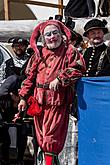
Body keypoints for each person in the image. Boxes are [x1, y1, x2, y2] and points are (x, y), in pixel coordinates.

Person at [17, 19, 86, 165]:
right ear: (43, 38)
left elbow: (78, 69)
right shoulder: (38, 54)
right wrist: (23, 97)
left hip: (57, 100)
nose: (52, 37)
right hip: (39, 101)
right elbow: (30, 77)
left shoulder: (69, 51)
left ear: (61, 34)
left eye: (55, 33)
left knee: (51, 137)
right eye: (48, 34)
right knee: (41, 138)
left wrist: (60, 79)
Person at [0, 37, 31, 165]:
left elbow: (33, 80)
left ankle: (20, 159)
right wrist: (11, 95)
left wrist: (22, 96)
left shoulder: (31, 62)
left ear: (25, 47)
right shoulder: (7, 63)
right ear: (12, 48)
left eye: (22, 45)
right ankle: (5, 159)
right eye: (16, 46)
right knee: (4, 130)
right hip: (8, 101)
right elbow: (1, 80)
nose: (19, 48)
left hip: (25, 100)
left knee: (22, 131)